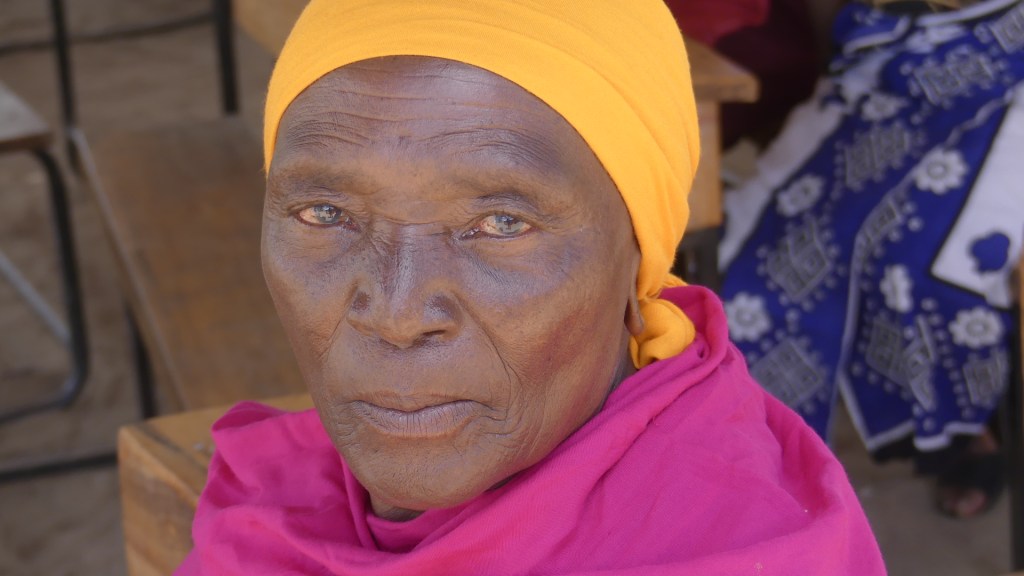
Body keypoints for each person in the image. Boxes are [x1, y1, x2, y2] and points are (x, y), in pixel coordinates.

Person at [177, 1, 886, 573]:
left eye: (502, 223)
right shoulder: (280, 511)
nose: (396, 313)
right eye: (325, 214)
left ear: (639, 254)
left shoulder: (749, 553)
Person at [721, 0, 1024, 518]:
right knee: (774, 256)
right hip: (905, 72)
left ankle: (961, 431)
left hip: (1003, 86)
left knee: (921, 268)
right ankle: (766, 450)